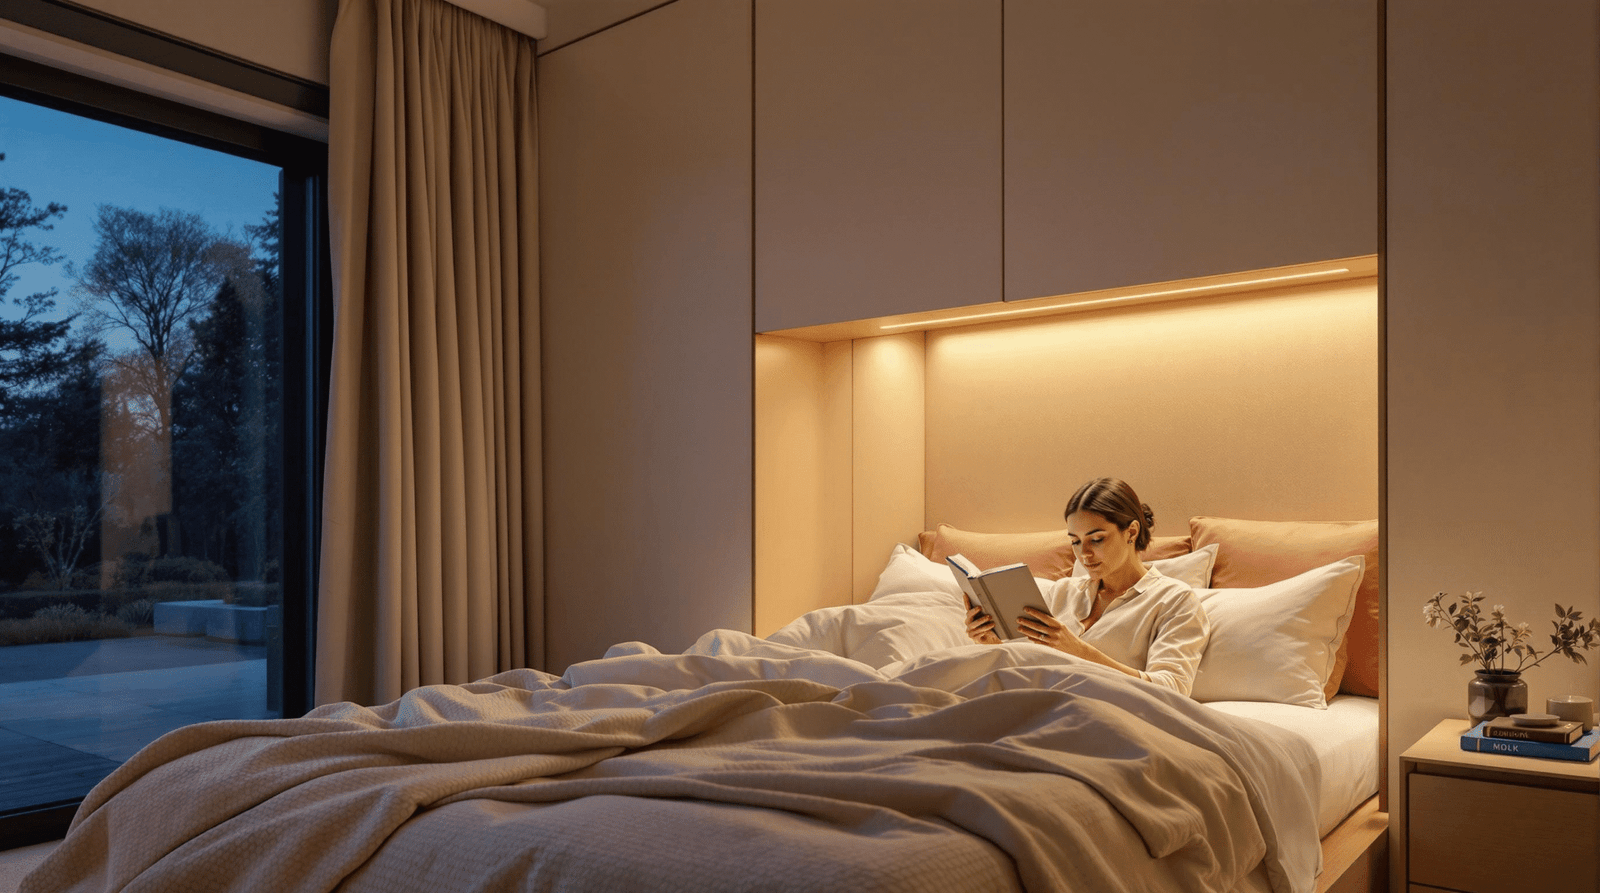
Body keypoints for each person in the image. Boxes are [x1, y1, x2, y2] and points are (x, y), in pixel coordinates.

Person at [963, 477, 1210, 695]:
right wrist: (991, 644)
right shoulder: (1062, 592)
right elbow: (1029, 672)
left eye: (1097, 539)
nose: (1085, 554)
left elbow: (1172, 691)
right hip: (1041, 708)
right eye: (1076, 541)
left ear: (1131, 532)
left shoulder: (1175, 601)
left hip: (1106, 717)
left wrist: (1079, 651)